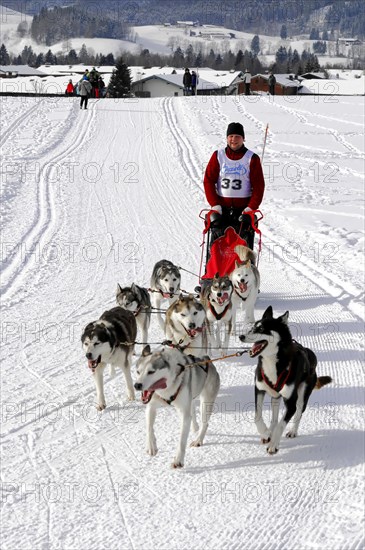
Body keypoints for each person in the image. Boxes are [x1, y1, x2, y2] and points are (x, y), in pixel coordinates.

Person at [203, 122, 265, 251]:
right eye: (230, 136)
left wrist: (250, 208)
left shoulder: (252, 158)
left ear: (243, 138)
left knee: (242, 251)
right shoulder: (218, 155)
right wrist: (215, 205)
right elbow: (208, 180)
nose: (233, 139)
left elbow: (259, 186)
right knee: (216, 249)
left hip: (243, 211)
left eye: (237, 136)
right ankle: (214, 271)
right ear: (227, 138)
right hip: (221, 210)